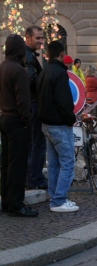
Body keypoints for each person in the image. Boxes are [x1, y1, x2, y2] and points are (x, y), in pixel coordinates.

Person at [37, 40, 79, 212]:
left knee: (54, 164)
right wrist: (71, 119)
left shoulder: (44, 71)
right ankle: (59, 200)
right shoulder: (60, 73)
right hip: (59, 125)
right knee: (68, 162)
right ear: (62, 55)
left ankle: (55, 197)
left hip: (46, 124)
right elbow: (64, 101)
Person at [0, 34, 38, 217]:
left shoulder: (2, 67)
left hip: (4, 118)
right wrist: (27, 120)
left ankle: (7, 202)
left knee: (6, 163)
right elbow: (23, 102)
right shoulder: (19, 71)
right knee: (18, 165)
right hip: (17, 121)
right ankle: (16, 205)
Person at [25, 25, 48, 190]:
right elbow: (32, 81)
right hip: (33, 105)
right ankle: (36, 179)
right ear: (28, 38)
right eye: (37, 38)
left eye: (42, 38)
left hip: (31, 104)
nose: (41, 41)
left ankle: (33, 177)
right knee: (38, 144)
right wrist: (46, 79)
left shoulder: (30, 55)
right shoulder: (27, 56)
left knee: (35, 144)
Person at [85, 65, 97, 134]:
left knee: (91, 113)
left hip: (92, 97)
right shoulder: (92, 79)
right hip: (93, 98)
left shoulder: (88, 78)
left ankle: (90, 128)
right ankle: (91, 129)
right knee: (93, 114)